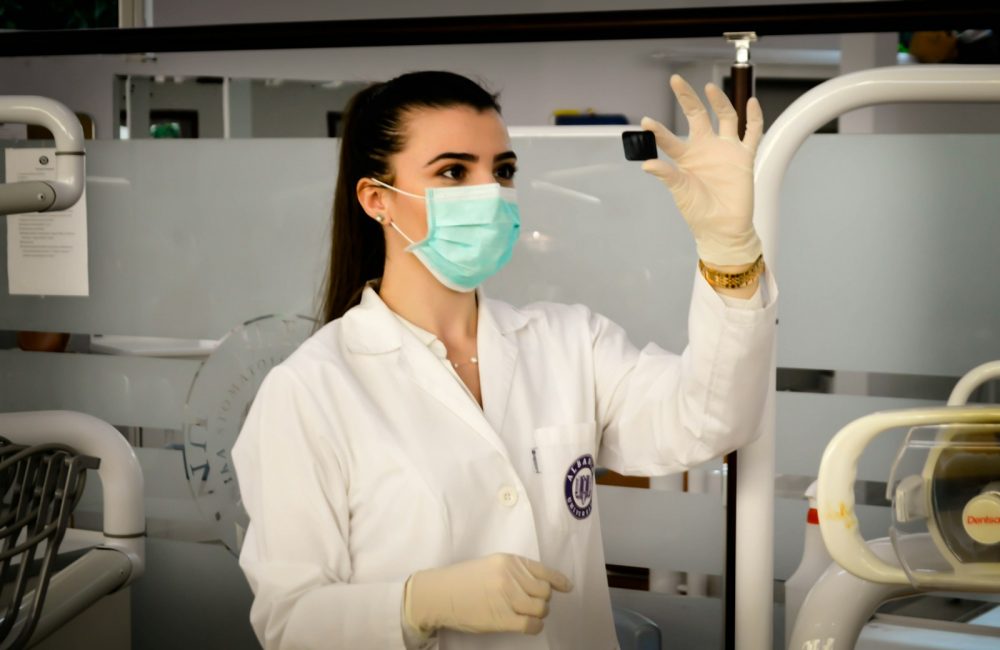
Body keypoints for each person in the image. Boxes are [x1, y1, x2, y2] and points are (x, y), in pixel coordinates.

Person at [232, 70, 777, 650]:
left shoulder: (569, 341)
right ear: (377, 199)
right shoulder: (310, 391)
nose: (489, 191)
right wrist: (418, 604)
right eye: (452, 171)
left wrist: (729, 251)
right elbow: (291, 624)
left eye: (503, 170)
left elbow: (711, 419)